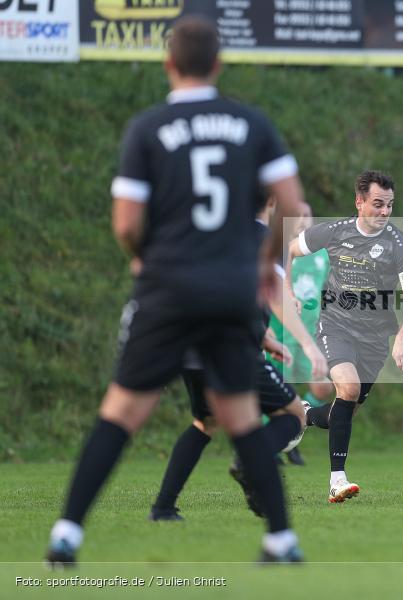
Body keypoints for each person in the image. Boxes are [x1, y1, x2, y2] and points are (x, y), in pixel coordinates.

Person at [45, 16, 307, 566]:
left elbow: (124, 222)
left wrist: (143, 255)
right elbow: (289, 201)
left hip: (169, 288)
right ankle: (281, 540)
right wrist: (262, 261)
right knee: (240, 418)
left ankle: (67, 534)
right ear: (217, 64)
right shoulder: (251, 123)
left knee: (119, 415)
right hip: (230, 291)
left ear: (170, 64)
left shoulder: (148, 127)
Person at [148, 201, 327, 521]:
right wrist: (308, 345)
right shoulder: (263, 238)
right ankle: (250, 461)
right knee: (294, 414)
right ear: (271, 202)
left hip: (192, 346)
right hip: (229, 347)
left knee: (206, 423)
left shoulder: (212, 236)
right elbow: (275, 295)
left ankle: (163, 507)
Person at [285, 170, 403, 503]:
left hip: (376, 337)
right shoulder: (334, 232)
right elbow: (288, 250)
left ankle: (303, 415)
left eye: (389, 205)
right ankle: (337, 481)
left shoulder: (399, 243)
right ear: (359, 202)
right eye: (378, 204)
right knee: (348, 388)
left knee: (343, 410)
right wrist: (286, 288)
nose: (385, 212)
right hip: (335, 325)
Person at [267, 202, 334, 466]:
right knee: (275, 390)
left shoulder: (321, 255)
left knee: (323, 386)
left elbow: (329, 288)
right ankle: (273, 444)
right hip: (280, 329)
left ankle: (295, 431)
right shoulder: (279, 250)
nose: (304, 220)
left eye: (308, 215)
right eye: (299, 216)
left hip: (308, 332)